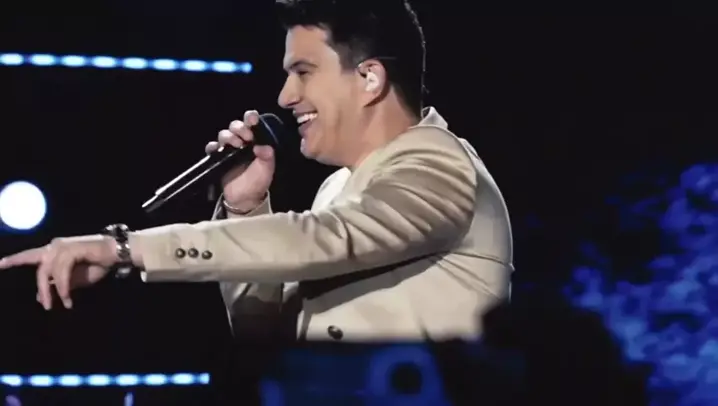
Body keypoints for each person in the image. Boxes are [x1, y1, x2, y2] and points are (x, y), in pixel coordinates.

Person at [0, 0, 513, 342]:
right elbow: (263, 336)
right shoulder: (339, 188)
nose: (285, 97)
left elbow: (322, 239)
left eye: (303, 72)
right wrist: (245, 208)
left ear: (369, 78)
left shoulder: (440, 164)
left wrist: (126, 248)